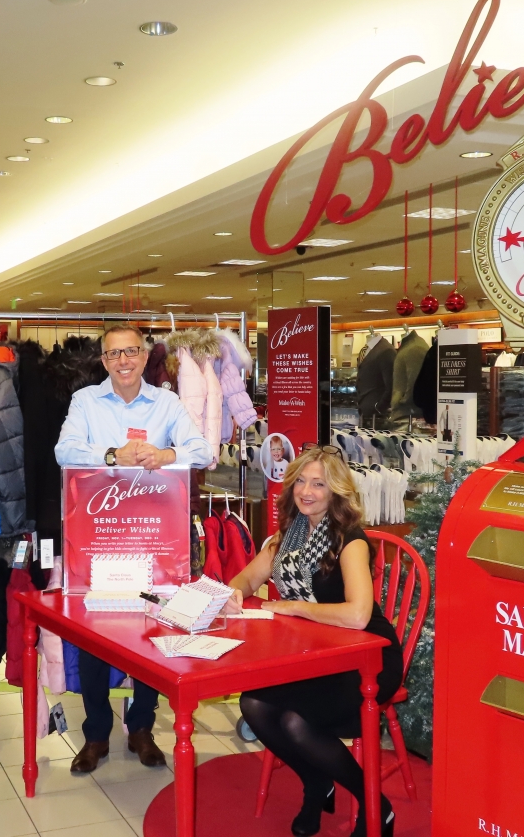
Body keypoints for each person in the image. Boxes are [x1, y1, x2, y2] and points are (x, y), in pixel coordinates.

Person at [54, 324, 212, 774]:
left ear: (146, 356)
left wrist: (166, 455)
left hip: (153, 538)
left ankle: (142, 727)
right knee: (94, 636)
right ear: (103, 361)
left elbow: (201, 450)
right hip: (100, 538)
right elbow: (64, 451)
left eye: (131, 352)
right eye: (113, 355)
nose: (123, 361)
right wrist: (111, 456)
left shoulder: (167, 402)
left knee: (150, 632)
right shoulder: (86, 401)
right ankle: (96, 734)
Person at [225, 446, 404, 837]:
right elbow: (246, 579)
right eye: (301, 481)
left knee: (295, 720)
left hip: (367, 658)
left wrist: (291, 606)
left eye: (318, 483)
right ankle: (316, 782)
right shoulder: (285, 538)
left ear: (336, 491)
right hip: (313, 655)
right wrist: (235, 592)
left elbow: (357, 614)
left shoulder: (349, 541)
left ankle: (377, 805)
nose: (307, 491)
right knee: (253, 703)